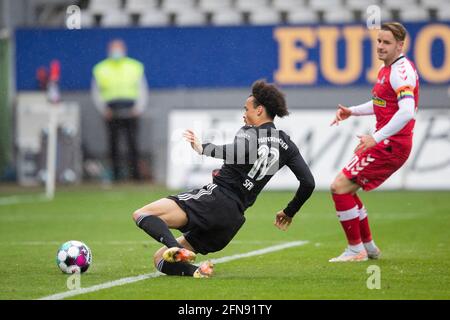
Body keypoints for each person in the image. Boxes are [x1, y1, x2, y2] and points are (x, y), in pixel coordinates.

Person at [132, 80, 315, 278]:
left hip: (215, 200)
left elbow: (240, 151)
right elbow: (308, 183)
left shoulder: (249, 132)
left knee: (143, 214)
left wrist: (204, 148)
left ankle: (176, 249)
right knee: (160, 260)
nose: (244, 114)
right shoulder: (287, 144)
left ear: (260, 110)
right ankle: (197, 271)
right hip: (232, 219)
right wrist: (289, 211)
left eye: (246, 109)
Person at [329, 22, 419, 262]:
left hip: (391, 145)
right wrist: (353, 111)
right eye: (379, 41)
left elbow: (407, 111)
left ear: (400, 45)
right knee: (347, 188)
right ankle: (368, 248)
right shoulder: (386, 69)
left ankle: (355, 249)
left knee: (339, 187)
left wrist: (376, 138)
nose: (380, 46)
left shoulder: (402, 72)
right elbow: (382, 103)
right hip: (385, 142)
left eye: (386, 42)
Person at [91, 39, 148, 181]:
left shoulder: (134, 66)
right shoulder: (101, 68)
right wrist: (103, 109)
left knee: (132, 144)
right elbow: (96, 91)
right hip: (111, 110)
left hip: (131, 109)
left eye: (119, 48)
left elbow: (142, 89)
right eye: (113, 49)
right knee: (113, 145)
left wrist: (139, 108)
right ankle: (116, 176)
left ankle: (135, 176)